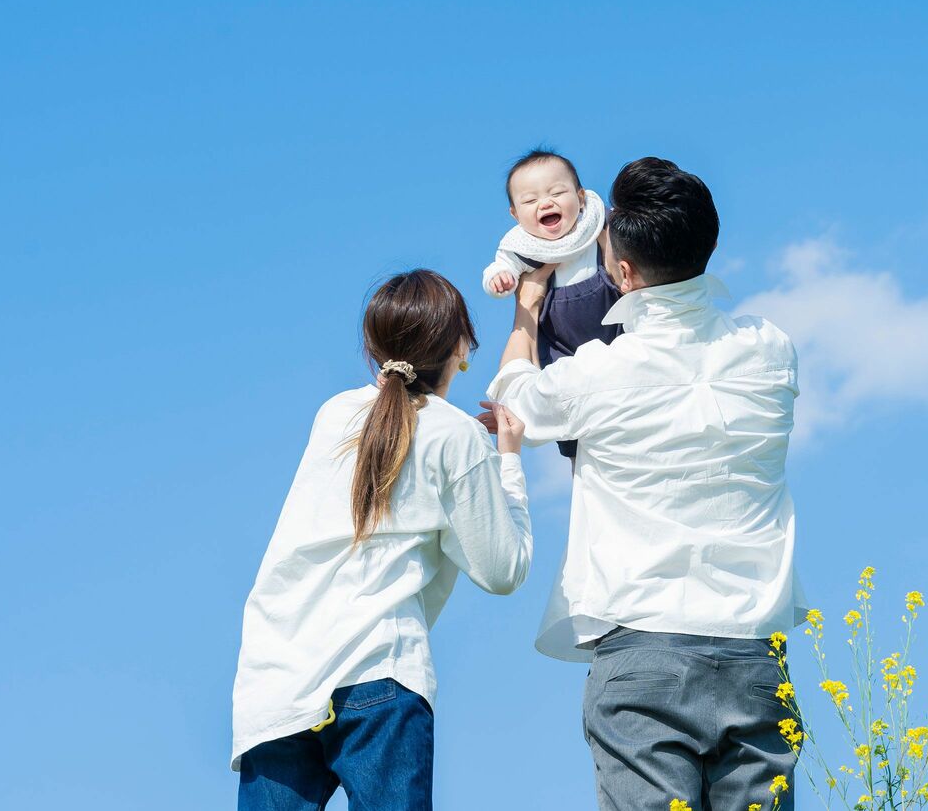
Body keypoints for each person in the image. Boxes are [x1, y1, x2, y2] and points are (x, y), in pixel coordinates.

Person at [484, 158, 805, 811]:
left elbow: (514, 395)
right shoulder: (772, 350)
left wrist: (526, 314)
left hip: (642, 648)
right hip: (755, 655)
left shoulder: (601, 373)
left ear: (623, 275)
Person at [232, 269, 533, 811]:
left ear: (373, 347)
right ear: (460, 347)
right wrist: (506, 460)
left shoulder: (334, 415)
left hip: (276, 678)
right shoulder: (455, 435)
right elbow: (502, 570)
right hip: (378, 671)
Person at [481, 148, 624, 459]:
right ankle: (575, 446)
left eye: (558, 192)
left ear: (582, 198)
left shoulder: (597, 226)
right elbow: (499, 267)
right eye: (530, 201)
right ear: (515, 215)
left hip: (613, 326)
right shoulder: (523, 248)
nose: (545, 203)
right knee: (564, 405)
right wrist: (500, 279)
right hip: (560, 344)